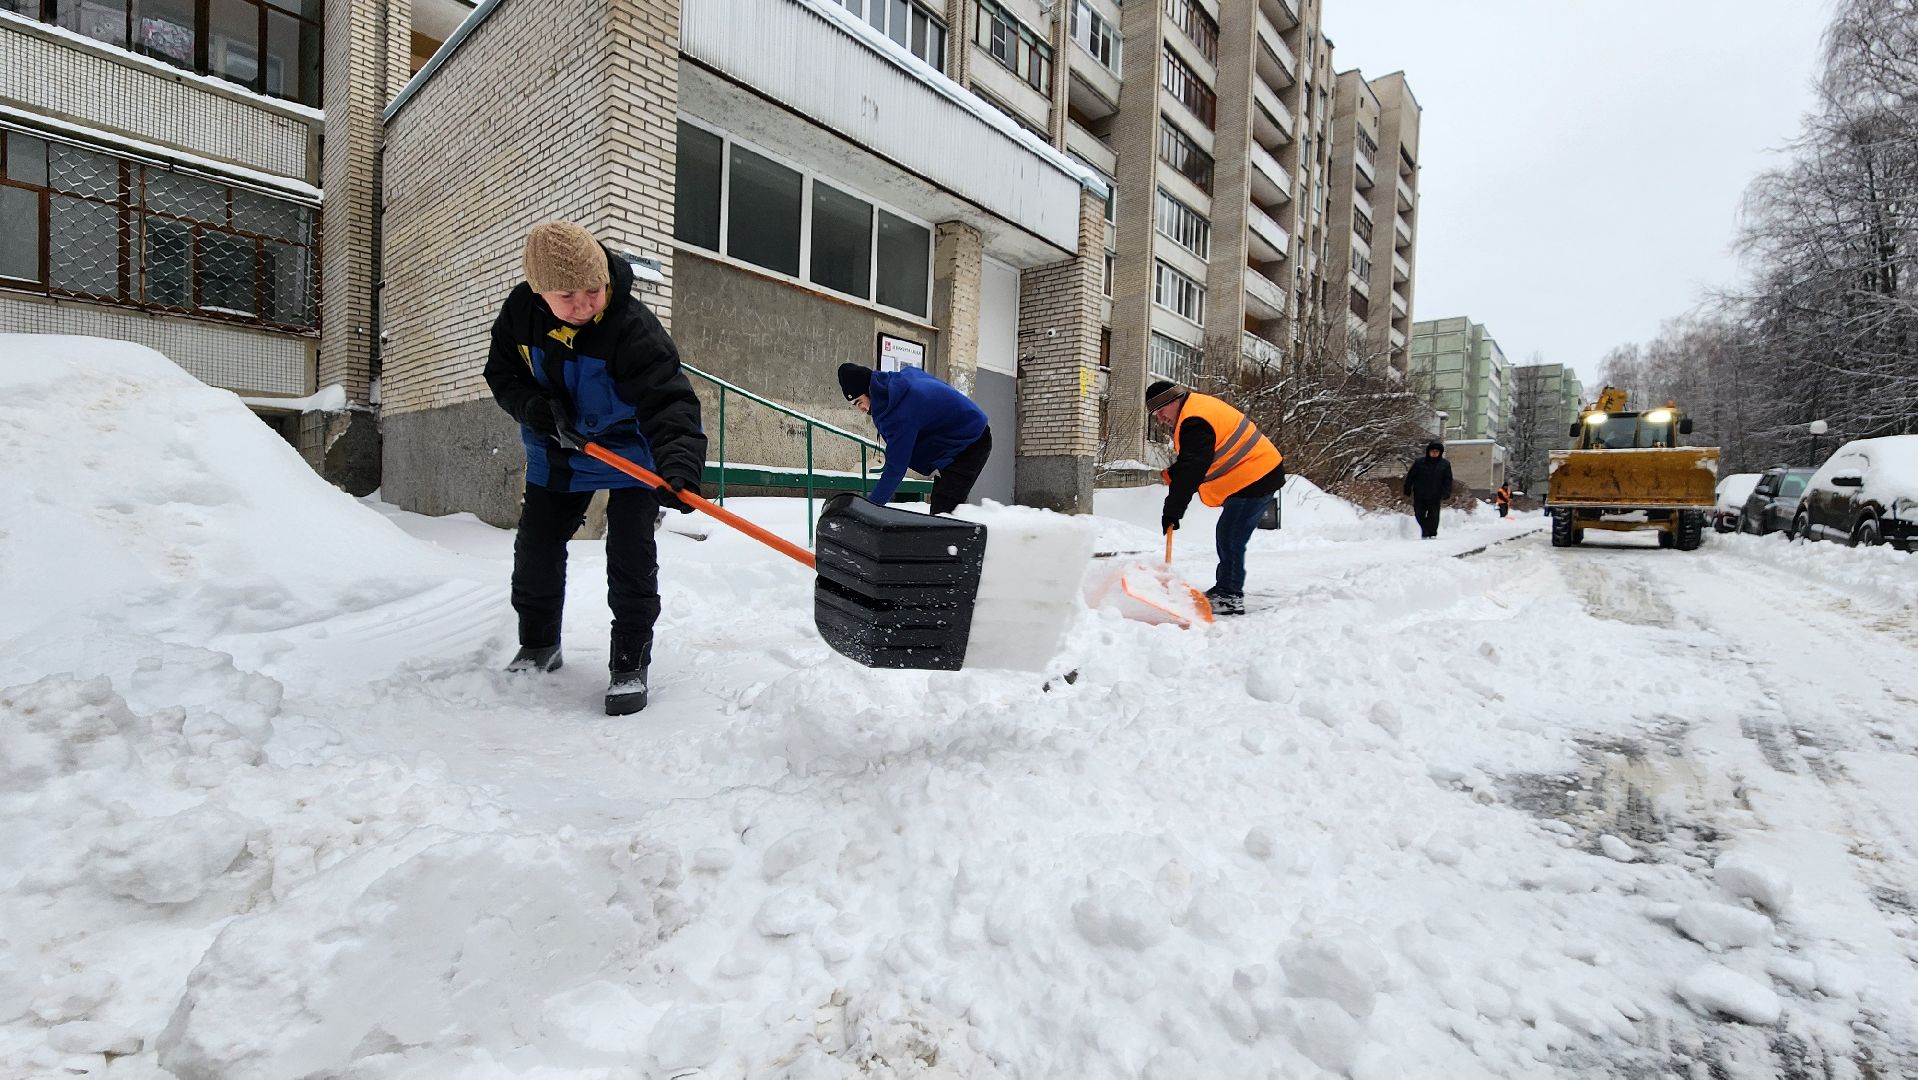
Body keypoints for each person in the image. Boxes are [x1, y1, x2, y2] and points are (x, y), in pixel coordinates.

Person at [484, 221, 707, 716]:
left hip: (631, 454)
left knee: (630, 556)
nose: (584, 304)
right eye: (568, 295)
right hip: (559, 449)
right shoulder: (521, 315)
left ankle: (629, 662)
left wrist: (679, 465)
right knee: (537, 549)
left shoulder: (631, 326)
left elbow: (669, 400)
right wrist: (535, 409)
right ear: (539, 291)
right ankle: (539, 642)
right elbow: (501, 374)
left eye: (593, 289)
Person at [1147, 380, 1285, 617]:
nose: (1160, 418)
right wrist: (1175, 474)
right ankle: (1226, 589)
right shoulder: (1196, 411)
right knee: (1229, 533)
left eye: (1160, 410)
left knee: (1230, 534)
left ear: (1174, 401)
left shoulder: (1194, 421)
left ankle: (1229, 596)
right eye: (1155, 414)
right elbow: (1197, 458)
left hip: (1256, 475)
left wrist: (1173, 510)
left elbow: (1193, 468)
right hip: (1252, 473)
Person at [837, 363, 991, 515]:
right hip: (955, 440)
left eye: (859, 402)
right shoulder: (898, 383)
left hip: (972, 441)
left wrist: (869, 509)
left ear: (869, 390)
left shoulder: (900, 412)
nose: (861, 409)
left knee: (943, 512)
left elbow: (896, 469)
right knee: (944, 511)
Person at [1403, 441, 1453, 539]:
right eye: (1432, 451)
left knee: (1433, 516)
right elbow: (1410, 476)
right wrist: (1407, 488)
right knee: (1419, 514)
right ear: (1428, 452)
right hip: (1420, 494)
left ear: (1440, 453)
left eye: (1436, 451)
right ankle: (1426, 530)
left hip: (1435, 494)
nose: (1434, 453)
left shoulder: (1445, 464)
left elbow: (1448, 480)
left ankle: (1432, 532)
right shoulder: (1419, 463)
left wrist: (1446, 492)